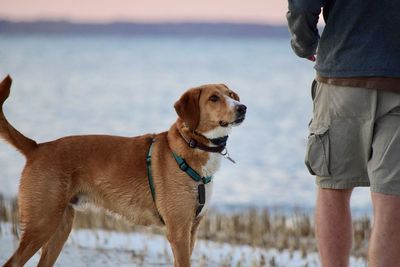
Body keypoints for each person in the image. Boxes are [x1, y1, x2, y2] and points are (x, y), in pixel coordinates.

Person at [286, 0, 400, 266]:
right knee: (392, 198)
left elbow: (303, 5)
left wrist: (303, 43)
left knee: (333, 188)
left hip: (342, 76)